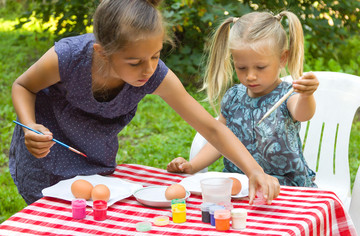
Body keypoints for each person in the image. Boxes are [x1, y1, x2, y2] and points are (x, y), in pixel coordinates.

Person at [9, 0, 279, 205]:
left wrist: (254, 170)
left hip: (94, 161)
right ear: (102, 53)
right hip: (44, 155)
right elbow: (23, 85)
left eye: (156, 55)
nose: (149, 69)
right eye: (135, 62)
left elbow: (211, 128)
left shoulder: (154, 73)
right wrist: (29, 125)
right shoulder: (68, 57)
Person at [167, 11, 319, 188]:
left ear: (282, 58)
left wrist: (306, 95)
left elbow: (303, 113)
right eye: (241, 67)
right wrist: (192, 166)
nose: (250, 76)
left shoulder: (287, 95)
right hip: (240, 186)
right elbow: (218, 140)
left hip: (285, 188)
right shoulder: (233, 97)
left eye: (260, 67)